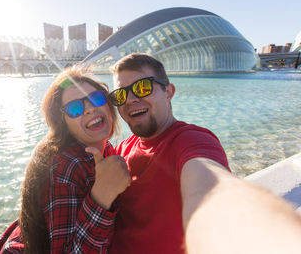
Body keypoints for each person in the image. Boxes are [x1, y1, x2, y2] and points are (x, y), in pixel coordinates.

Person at [95, 53, 301, 254]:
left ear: (168, 92)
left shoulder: (190, 141)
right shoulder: (121, 149)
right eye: (120, 94)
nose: (130, 99)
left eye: (142, 87)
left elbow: (214, 189)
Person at [0, 67, 130, 254]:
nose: (90, 109)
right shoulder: (66, 165)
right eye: (75, 108)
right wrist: (102, 196)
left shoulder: (103, 151)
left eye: (96, 98)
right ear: (63, 122)